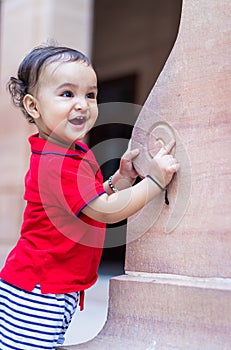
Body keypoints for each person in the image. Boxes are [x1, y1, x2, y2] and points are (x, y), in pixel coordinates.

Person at [0, 45, 179, 350]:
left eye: (91, 95)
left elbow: (88, 202)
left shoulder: (75, 153)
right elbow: (105, 212)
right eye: (67, 94)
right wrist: (154, 182)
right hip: (38, 289)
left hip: (57, 285)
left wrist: (119, 180)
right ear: (33, 106)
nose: (82, 104)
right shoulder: (54, 162)